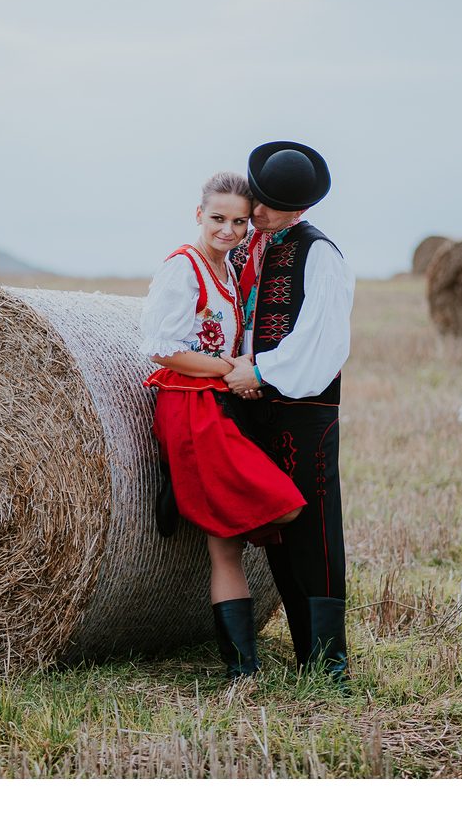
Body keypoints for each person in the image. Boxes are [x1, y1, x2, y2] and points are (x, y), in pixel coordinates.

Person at [140, 171, 307, 679]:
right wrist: (229, 370)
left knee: (227, 544)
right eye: (218, 218)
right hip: (190, 404)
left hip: (217, 402)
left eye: (238, 221)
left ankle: (242, 671)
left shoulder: (228, 270)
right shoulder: (183, 268)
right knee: (283, 506)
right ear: (198, 215)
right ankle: (181, 483)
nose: (229, 230)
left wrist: (243, 372)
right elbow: (162, 346)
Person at [221, 141, 355, 687]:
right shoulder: (250, 245)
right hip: (259, 402)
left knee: (313, 525)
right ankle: (305, 654)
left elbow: (323, 342)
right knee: (274, 523)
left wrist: (263, 370)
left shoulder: (318, 253)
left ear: (299, 209)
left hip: (304, 409)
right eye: (260, 199)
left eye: (271, 206)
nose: (257, 211)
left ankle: (329, 663)